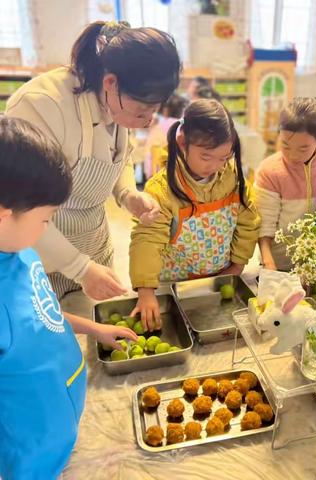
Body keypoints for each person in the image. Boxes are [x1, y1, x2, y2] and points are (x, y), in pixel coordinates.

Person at [0, 117, 137, 479]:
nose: (48, 228)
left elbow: (43, 312)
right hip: (32, 453)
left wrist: (94, 328)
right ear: (3, 214)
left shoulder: (20, 251)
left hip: (61, 419)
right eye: (46, 219)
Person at [6, 20, 181, 301]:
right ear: (111, 82)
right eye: (142, 111)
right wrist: (79, 267)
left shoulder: (118, 99)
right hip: (41, 256)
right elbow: (21, 210)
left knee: (98, 333)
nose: (148, 121)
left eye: (155, 110)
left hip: (93, 245)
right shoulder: (41, 106)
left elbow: (119, 156)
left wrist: (127, 194)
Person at [130, 99, 260, 330]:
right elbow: (147, 240)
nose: (215, 166)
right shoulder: (161, 190)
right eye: (206, 157)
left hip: (220, 279)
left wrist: (238, 266)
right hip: (174, 284)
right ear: (182, 143)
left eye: (224, 158)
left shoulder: (233, 180)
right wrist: (146, 290)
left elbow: (248, 222)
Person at [254, 97, 316, 271]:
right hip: (281, 264)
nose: (293, 155)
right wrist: (269, 264)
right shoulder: (270, 171)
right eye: (286, 145)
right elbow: (264, 226)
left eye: (303, 148)